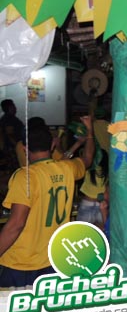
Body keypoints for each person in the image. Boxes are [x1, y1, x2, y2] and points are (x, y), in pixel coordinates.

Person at [0, 116, 95, 287]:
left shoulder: (25, 176)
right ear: (52, 145)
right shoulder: (67, 168)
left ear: (25, 149)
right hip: (55, 258)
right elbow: (87, 159)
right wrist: (89, 132)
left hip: (22, 263)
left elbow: (16, 225)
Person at [77, 149, 109, 227]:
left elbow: (82, 157)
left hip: (87, 203)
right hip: (101, 205)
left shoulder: (88, 169)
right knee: (101, 232)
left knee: (81, 232)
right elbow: (107, 192)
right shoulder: (107, 172)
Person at [0, 99, 24, 171]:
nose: (15, 108)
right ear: (10, 107)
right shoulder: (9, 119)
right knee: (14, 169)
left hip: (12, 147)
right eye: (14, 106)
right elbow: (9, 134)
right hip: (11, 148)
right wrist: (17, 146)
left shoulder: (8, 118)